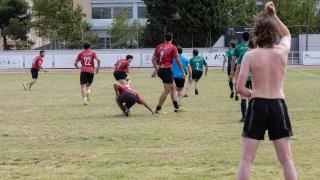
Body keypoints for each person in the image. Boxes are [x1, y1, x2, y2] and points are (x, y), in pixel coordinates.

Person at [236, 2, 296, 180]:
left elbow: (239, 87)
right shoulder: (282, 51)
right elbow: (287, 34)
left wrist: (252, 94)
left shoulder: (250, 55)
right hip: (278, 104)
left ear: (257, 32)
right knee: (286, 160)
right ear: (273, 32)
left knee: (247, 159)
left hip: (258, 105)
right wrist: (274, 15)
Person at [152, 32, 186, 114]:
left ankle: (177, 108)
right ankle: (158, 109)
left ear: (165, 38)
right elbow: (178, 60)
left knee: (173, 87)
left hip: (162, 70)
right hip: (166, 70)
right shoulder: (173, 47)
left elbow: (153, 59)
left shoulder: (158, 46)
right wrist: (183, 72)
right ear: (172, 38)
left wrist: (156, 68)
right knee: (167, 91)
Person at [235, 40, 255, 122]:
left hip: (245, 78)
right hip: (255, 79)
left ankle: (244, 117)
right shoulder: (258, 54)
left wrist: (236, 79)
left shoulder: (243, 54)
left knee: (243, 97)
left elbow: (238, 67)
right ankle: (253, 116)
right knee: (254, 97)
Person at [231, 32, 250, 101]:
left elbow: (233, 59)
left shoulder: (238, 47)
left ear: (242, 38)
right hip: (251, 68)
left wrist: (232, 70)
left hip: (241, 68)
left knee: (239, 81)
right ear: (249, 38)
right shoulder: (253, 47)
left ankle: (237, 93)